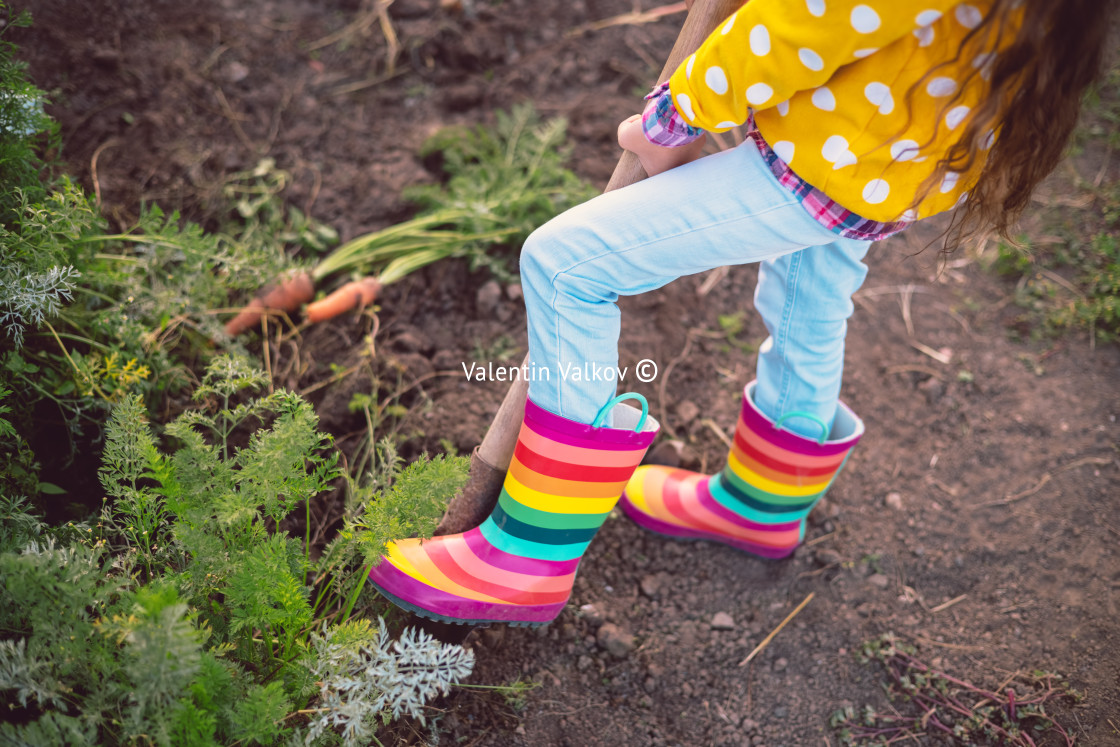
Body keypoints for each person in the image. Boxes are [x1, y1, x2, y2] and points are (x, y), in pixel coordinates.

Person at [367, 0, 1114, 625]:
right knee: (810, 286)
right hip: (901, 155)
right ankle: (761, 503)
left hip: (839, 152)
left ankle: (529, 555)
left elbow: (805, 22)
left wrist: (677, 114)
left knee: (565, 262)